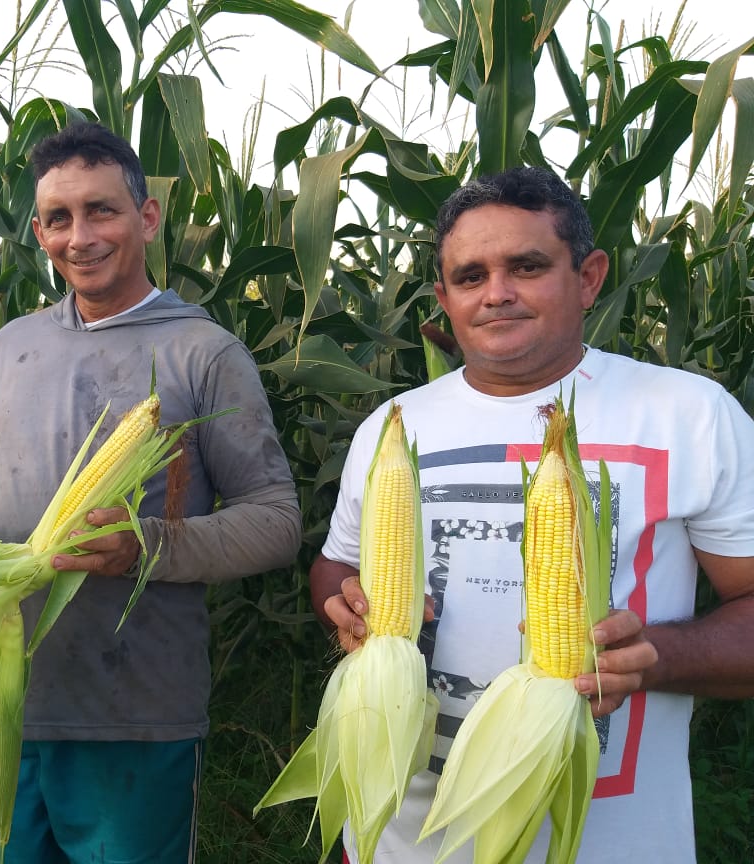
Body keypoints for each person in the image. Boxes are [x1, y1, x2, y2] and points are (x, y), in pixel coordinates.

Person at [312, 166, 754, 863]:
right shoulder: (393, 426)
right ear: (443, 298)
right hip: (402, 835)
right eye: (469, 276)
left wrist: (660, 657)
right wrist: (345, 603)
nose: (497, 294)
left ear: (589, 276)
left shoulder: (689, 415)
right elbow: (338, 563)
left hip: (611, 842)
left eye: (527, 266)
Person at [0, 121, 302, 863]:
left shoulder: (203, 353)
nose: (80, 237)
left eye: (101, 211)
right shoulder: (12, 345)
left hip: (131, 715)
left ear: (146, 217)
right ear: (38, 230)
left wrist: (149, 546)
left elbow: (275, 521)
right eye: (58, 219)